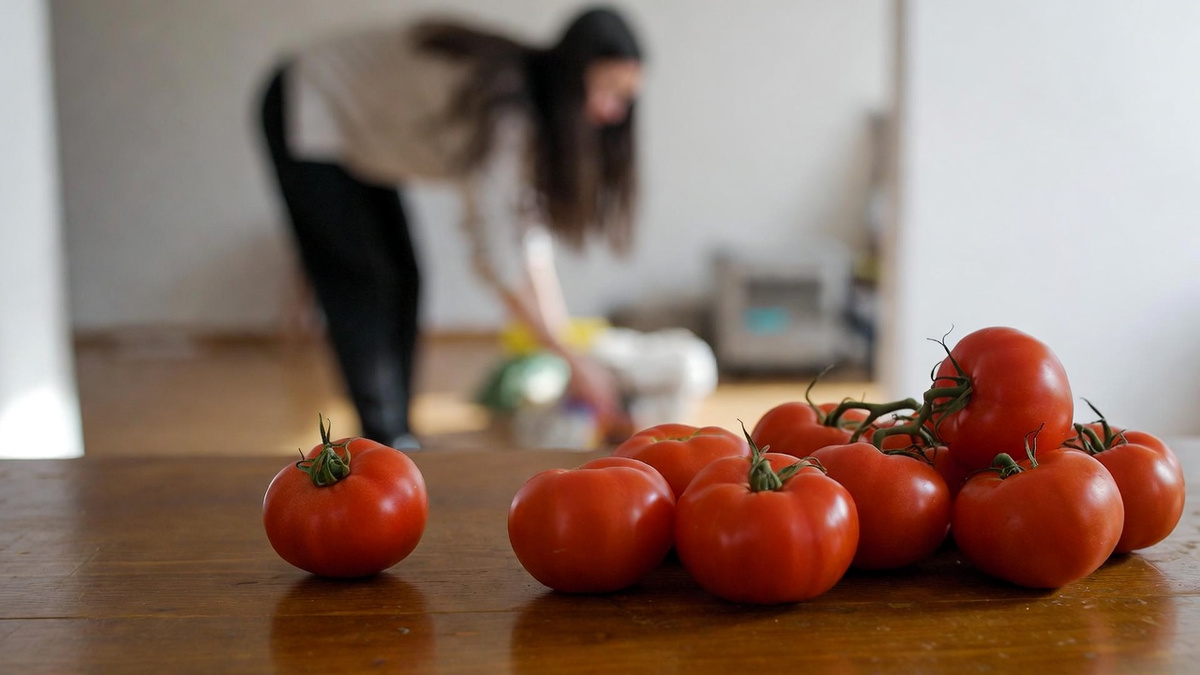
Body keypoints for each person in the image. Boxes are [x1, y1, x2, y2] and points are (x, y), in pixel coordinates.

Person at [258, 7, 643, 449]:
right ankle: (388, 437)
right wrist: (569, 359)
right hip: (307, 101)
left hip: (351, 132)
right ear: (572, 75)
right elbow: (495, 252)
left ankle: (394, 434)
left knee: (403, 277)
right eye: (608, 91)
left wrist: (564, 345)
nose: (614, 113)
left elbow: (525, 238)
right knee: (368, 283)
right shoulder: (505, 111)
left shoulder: (533, 118)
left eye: (625, 98)